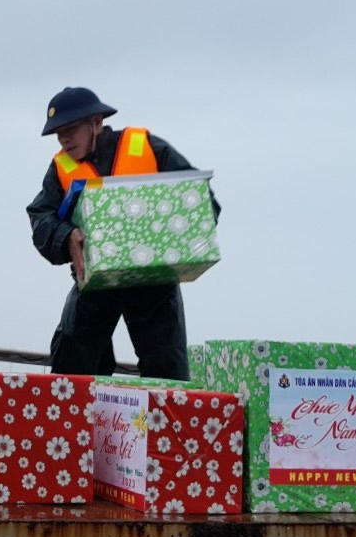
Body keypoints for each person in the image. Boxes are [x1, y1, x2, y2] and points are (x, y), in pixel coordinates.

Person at [26, 87, 220, 379]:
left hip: (153, 282)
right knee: (72, 362)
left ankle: (163, 424)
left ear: (97, 122)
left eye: (71, 129)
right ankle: (72, 422)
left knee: (167, 371)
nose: (64, 138)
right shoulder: (60, 167)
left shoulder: (145, 147)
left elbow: (200, 200)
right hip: (94, 283)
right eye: (58, 132)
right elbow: (41, 216)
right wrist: (65, 236)